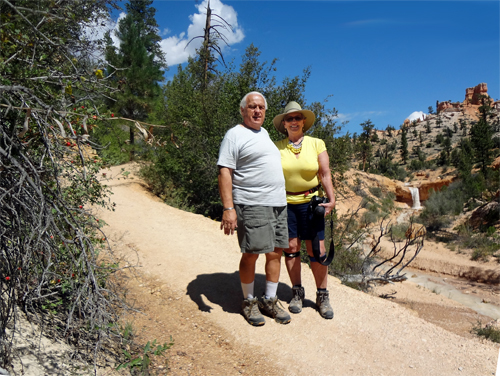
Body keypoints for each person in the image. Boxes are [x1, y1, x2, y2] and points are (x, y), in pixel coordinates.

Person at [217, 92, 291, 326]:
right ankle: (249, 301)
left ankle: (269, 299)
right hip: (253, 203)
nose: (257, 111)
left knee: (276, 251)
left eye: (261, 107)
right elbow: (224, 172)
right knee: (251, 252)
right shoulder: (234, 135)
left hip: (277, 203)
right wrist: (229, 208)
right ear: (243, 110)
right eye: (252, 107)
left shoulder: (265, 133)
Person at [273, 101, 336, 319]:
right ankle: (297, 293)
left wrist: (331, 198)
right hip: (286, 203)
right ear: (284, 123)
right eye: (289, 119)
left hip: (311, 203)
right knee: (291, 247)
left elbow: (325, 173)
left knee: (317, 250)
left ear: (304, 121)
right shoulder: (277, 147)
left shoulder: (316, 143)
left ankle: (322, 295)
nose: (293, 121)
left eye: (297, 118)